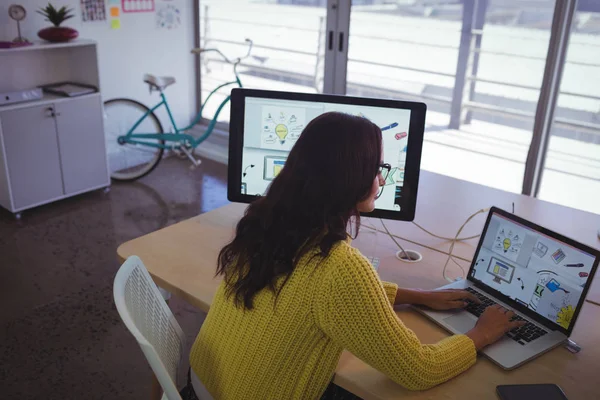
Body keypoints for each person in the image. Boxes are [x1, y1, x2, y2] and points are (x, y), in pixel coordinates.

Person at [182, 112, 525, 400]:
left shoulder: (266, 224)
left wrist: (418, 297)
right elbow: (419, 370)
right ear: (351, 180)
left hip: (198, 386)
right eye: (377, 169)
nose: (380, 179)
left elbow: (320, 299)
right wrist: (481, 334)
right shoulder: (338, 267)